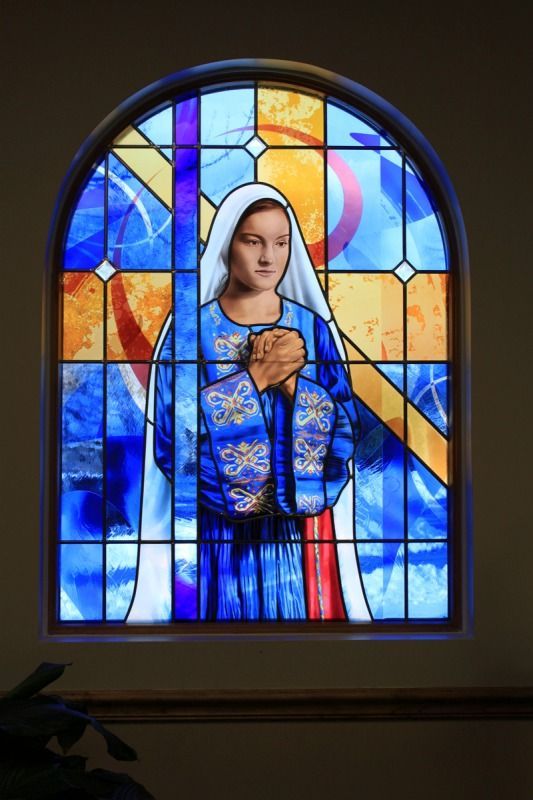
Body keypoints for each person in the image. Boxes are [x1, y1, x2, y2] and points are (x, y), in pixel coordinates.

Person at [127, 183, 371, 623]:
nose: (268, 258)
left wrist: (295, 388)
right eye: (252, 241)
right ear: (226, 246)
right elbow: (171, 442)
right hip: (216, 535)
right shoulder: (190, 336)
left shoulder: (312, 331)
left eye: (280, 243)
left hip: (297, 531)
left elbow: (347, 432)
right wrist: (257, 378)